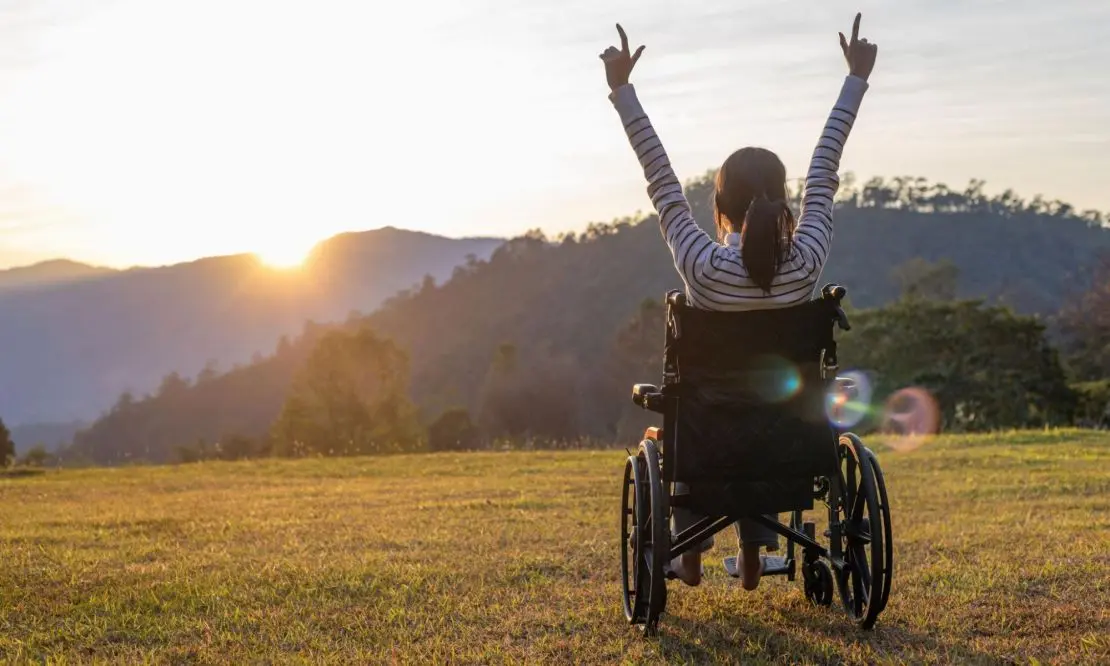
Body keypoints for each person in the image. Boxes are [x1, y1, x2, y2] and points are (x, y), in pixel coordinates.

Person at [601, 14, 878, 590]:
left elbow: (661, 180)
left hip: (710, 441)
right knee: (763, 422)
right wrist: (855, 79)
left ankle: (691, 554)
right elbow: (823, 172)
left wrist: (623, 91)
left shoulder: (701, 267)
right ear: (785, 205)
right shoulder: (805, 265)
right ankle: (754, 560)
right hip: (788, 444)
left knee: (685, 430)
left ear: (719, 209)